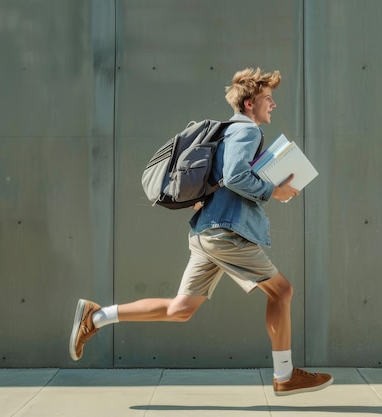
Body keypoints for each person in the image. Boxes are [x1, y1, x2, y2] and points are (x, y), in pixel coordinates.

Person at [69, 68, 333, 396]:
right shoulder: (246, 131)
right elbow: (236, 177)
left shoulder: (226, 134)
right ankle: (284, 375)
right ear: (250, 104)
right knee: (282, 292)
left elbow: (224, 180)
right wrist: (273, 191)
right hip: (225, 234)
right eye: (268, 99)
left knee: (179, 310)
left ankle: (96, 317)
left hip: (207, 234)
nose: (273, 105)